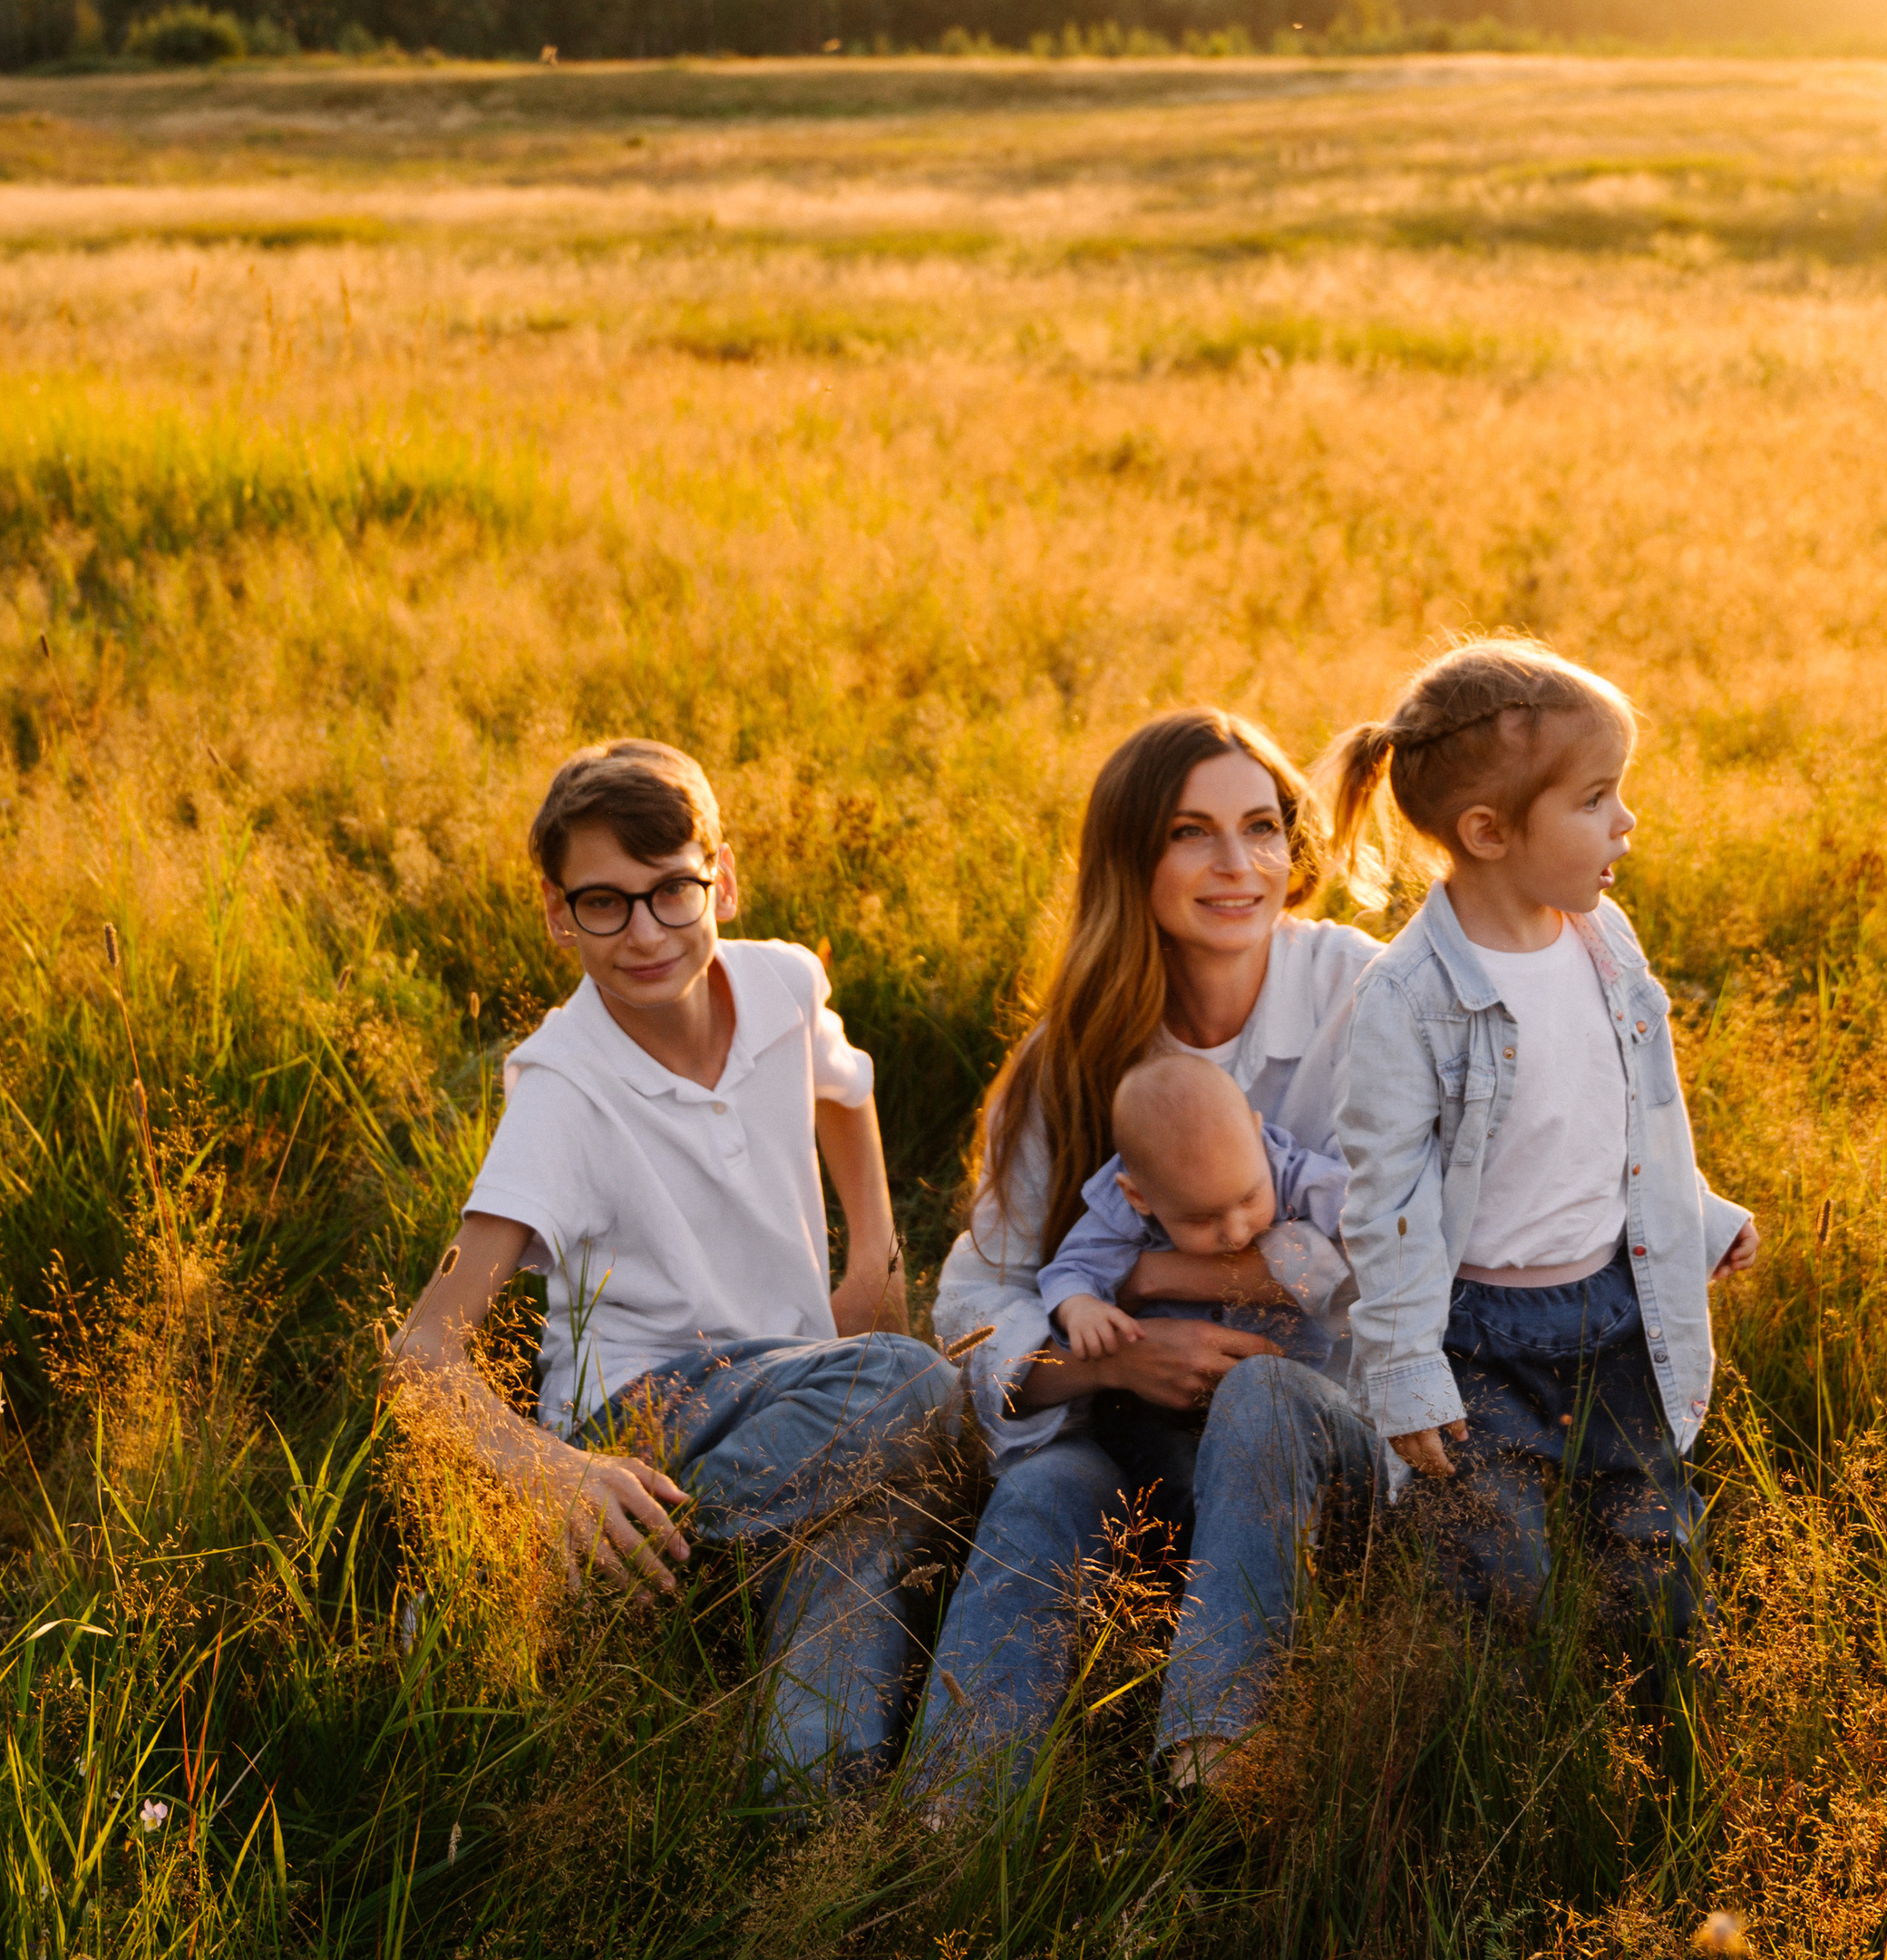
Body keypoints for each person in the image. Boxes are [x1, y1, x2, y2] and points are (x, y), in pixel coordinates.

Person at [387, 737, 966, 1784]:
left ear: (722, 881)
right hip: (644, 1422)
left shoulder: (783, 983)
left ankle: (786, 1772)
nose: (645, 931)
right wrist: (554, 1474)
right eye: (604, 903)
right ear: (559, 915)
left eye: (670, 891)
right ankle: (562, 1571)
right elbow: (421, 1353)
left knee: (826, 1736)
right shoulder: (563, 1089)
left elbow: (844, 1087)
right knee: (916, 1388)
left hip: (798, 1394)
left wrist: (873, 1256)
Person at [924, 707, 1382, 1792]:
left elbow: (1415, 1247)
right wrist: (1115, 1361)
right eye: (1190, 832)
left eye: (1261, 826)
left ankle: (1218, 1765)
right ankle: (949, 1818)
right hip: (1133, 1438)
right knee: (1045, 1490)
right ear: (1131, 860)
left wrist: (1158, 1274)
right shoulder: (1071, 1055)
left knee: (1262, 1398)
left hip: (1331, 1441)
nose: (1238, 863)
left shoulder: (1363, 995)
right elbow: (975, 1301)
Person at [1327, 639, 1757, 1666]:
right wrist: (1406, 1373)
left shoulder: (1606, 942)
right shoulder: (1407, 999)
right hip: (1475, 1334)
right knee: (1494, 1570)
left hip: (1615, 1309)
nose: (1626, 820)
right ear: (1488, 831)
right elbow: (1385, 1205)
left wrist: (1697, 1212)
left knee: (1651, 1555)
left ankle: (1650, 1717)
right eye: (1595, 799)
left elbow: (1632, 1117)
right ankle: (1494, 1731)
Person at [1038, 1053, 1352, 1370]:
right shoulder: (1120, 1213)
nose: (1236, 1233)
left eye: (1248, 1199)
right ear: (1138, 1196)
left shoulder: (1277, 1166)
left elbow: (1355, 1207)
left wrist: (1351, 1223)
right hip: (1169, 1385)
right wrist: (1080, 1307)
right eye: (1201, 1219)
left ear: (1257, 1136)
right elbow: (1071, 1270)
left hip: (1297, 1373)